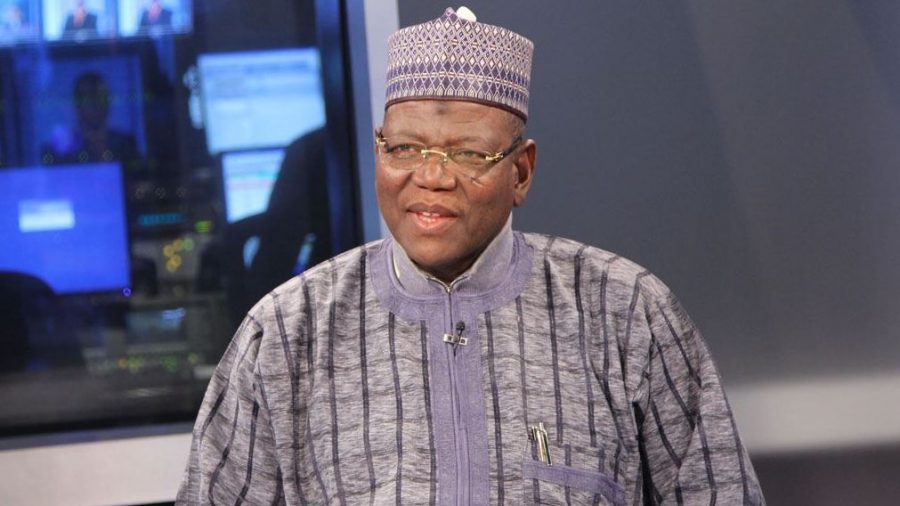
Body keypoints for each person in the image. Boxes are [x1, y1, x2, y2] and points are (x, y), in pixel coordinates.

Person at [177, 7, 765, 505]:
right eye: (405, 148)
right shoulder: (285, 335)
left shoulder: (626, 313)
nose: (431, 178)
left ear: (521, 171)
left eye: (468, 154)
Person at [41, 72, 140, 170]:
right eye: (88, 97)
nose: (95, 105)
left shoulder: (126, 145)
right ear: (77, 105)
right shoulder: (57, 151)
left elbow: (137, 177)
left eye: (100, 97)